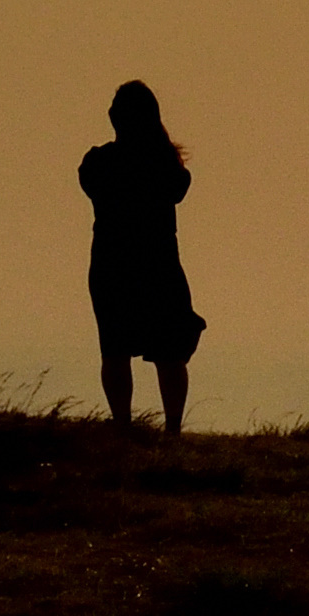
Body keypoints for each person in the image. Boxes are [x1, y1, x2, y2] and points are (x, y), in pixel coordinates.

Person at [78, 79, 198, 430]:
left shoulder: (99, 163)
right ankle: (172, 430)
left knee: (115, 351)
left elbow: (91, 181)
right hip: (159, 268)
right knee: (169, 354)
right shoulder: (167, 168)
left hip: (111, 267)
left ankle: (122, 428)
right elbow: (178, 186)